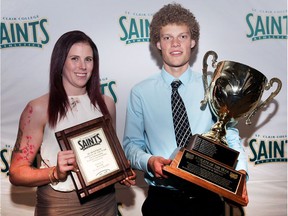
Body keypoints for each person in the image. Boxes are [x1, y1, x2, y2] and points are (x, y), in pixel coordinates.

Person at [123, 3, 249, 216]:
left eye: (182, 36)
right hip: (162, 201)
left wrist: (241, 173)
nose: (175, 44)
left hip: (208, 199)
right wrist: (149, 161)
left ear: (193, 41)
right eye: (167, 37)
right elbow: (131, 146)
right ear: (158, 43)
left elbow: (230, 134)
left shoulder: (214, 86)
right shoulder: (140, 93)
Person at [9, 30, 136, 216]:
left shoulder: (107, 104)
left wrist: (121, 171)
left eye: (88, 59)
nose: (82, 66)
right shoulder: (37, 108)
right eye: (74, 58)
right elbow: (16, 172)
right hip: (60, 206)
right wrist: (55, 173)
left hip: (105, 202)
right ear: (60, 62)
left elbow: (108, 156)